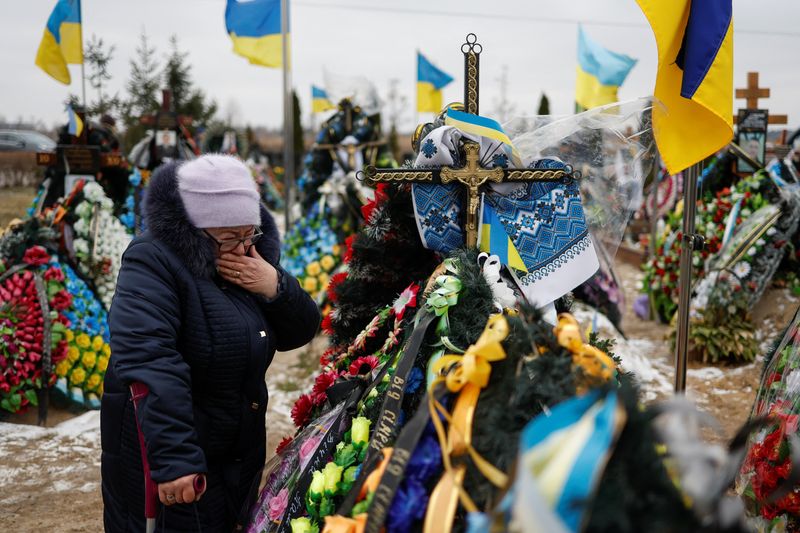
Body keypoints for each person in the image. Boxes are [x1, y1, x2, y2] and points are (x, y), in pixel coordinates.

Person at [100, 154, 320, 531]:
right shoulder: (152, 260)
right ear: (198, 229)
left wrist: (276, 288)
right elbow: (150, 358)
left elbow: (301, 330)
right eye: (229, 238)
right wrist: (176, 459)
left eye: (249, 233)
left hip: (234, 454)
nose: (242, 246)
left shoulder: (248, 256)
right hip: (174, 458)